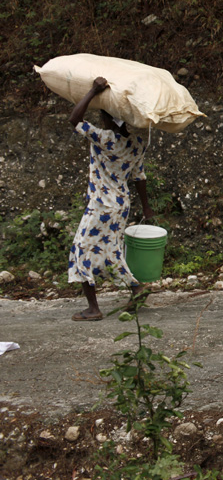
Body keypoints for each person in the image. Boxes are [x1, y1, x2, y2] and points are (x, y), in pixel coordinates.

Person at [68, 77, 154, 321]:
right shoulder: (137, 143)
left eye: (103, 117)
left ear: (107, 120)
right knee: (111, 251)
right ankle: (136, 288)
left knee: (81, 250)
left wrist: (93, 91)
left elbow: (75, 119)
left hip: (101, 205)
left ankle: (93, 309)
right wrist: (147, 209)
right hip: (121, 205)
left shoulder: (105, 138)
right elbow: (139, 176)